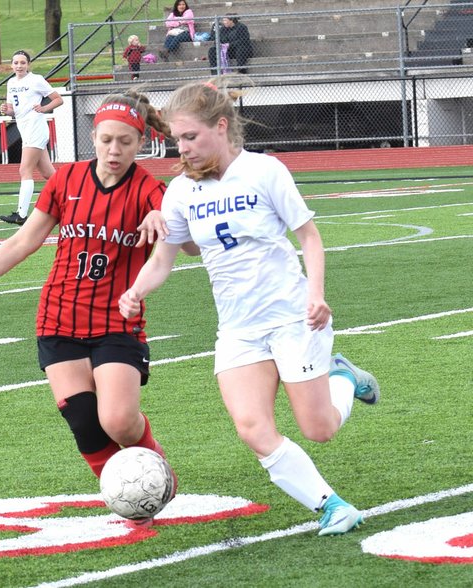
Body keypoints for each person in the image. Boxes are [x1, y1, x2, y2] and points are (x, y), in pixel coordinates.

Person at [118, 79, 381, 536]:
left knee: (319, 429)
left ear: (221, 127)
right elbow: (165, 258)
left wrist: (316, 295)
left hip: (291, 316)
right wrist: (136, 291)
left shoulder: (265, 171)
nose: (183, 147)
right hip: (238, 328)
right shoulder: (180, 191)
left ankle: (343, 375)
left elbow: (309, 237)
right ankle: (332, 506)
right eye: (177, 139)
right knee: (251, 427)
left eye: (191, 137)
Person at [0, 91, 184, 518]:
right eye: (105, 140)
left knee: (119, 421)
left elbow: (174, 230)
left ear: (141, 143)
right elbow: (24, 240)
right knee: (84, 420)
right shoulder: (66, 180)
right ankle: (133, 503)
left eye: (124, 141)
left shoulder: (151, 190)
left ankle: (158, 470)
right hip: (59, 318)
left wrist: (163, 217)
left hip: (117, 322)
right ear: (93, 137)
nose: (114, 150)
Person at [0, 50, 64, 226]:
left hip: (36, 128)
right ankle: (75, 199)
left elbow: (58, 99)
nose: (19, 66)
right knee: (47, 173)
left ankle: (21, 214)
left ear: (28, 64)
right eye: (16, 63)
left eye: (23, 63)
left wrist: (44, 108)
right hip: (25, 129)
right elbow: (13, 109)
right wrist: (6, 109)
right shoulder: (11, 82)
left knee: (24, 170)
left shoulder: (36, 80)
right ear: (11, 65)